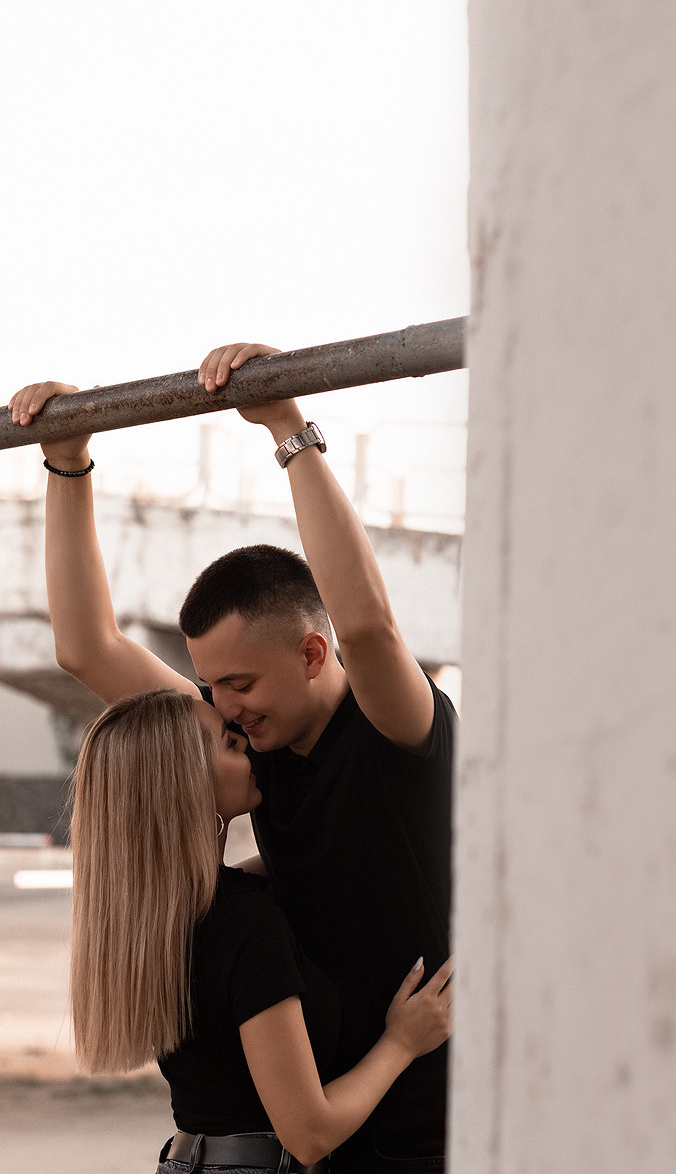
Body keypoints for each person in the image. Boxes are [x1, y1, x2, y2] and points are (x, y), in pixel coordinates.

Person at [9, 345, 456, 1173]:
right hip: (333, 1138)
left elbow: (368, 627)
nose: (217, 706)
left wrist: (287, 426)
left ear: (313, 656)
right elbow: (88, 648)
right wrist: (68, 464)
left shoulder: (392, 730)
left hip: (436, 1132)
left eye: (239, 683)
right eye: (208, 685)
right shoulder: (246, 748)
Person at [70, 685, 453, 1174]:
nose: (247, 745)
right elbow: (309, 1132)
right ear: (187, 784)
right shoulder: (246, 926)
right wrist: (403, 1042)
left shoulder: (157, 920)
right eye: (229, 744)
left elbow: (298, 867)